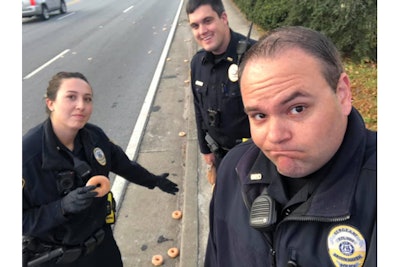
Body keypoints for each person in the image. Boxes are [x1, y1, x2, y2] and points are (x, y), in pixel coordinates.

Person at [205, 26, 377, 267]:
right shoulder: (233, 170)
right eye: (259, 116)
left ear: (342, 94)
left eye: (297, 109)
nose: (275, 136)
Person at [22, 71, 179, 267]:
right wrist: (61, 208)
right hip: (58, 258)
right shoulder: (26, 156)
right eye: (71, 97)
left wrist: (153, 181)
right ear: (50, 103)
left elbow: (123, 165)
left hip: (102, 248)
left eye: (87, 99)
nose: (81, 105)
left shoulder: (94, 137)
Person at [186, 0, 256, 183]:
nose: (202, 31)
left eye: (207, 21)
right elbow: (198, 109)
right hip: (220, 157)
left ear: (224, 18)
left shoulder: (255, 57)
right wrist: (205, 150)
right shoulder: (197, 63)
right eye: (195, 25)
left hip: (254, 158)